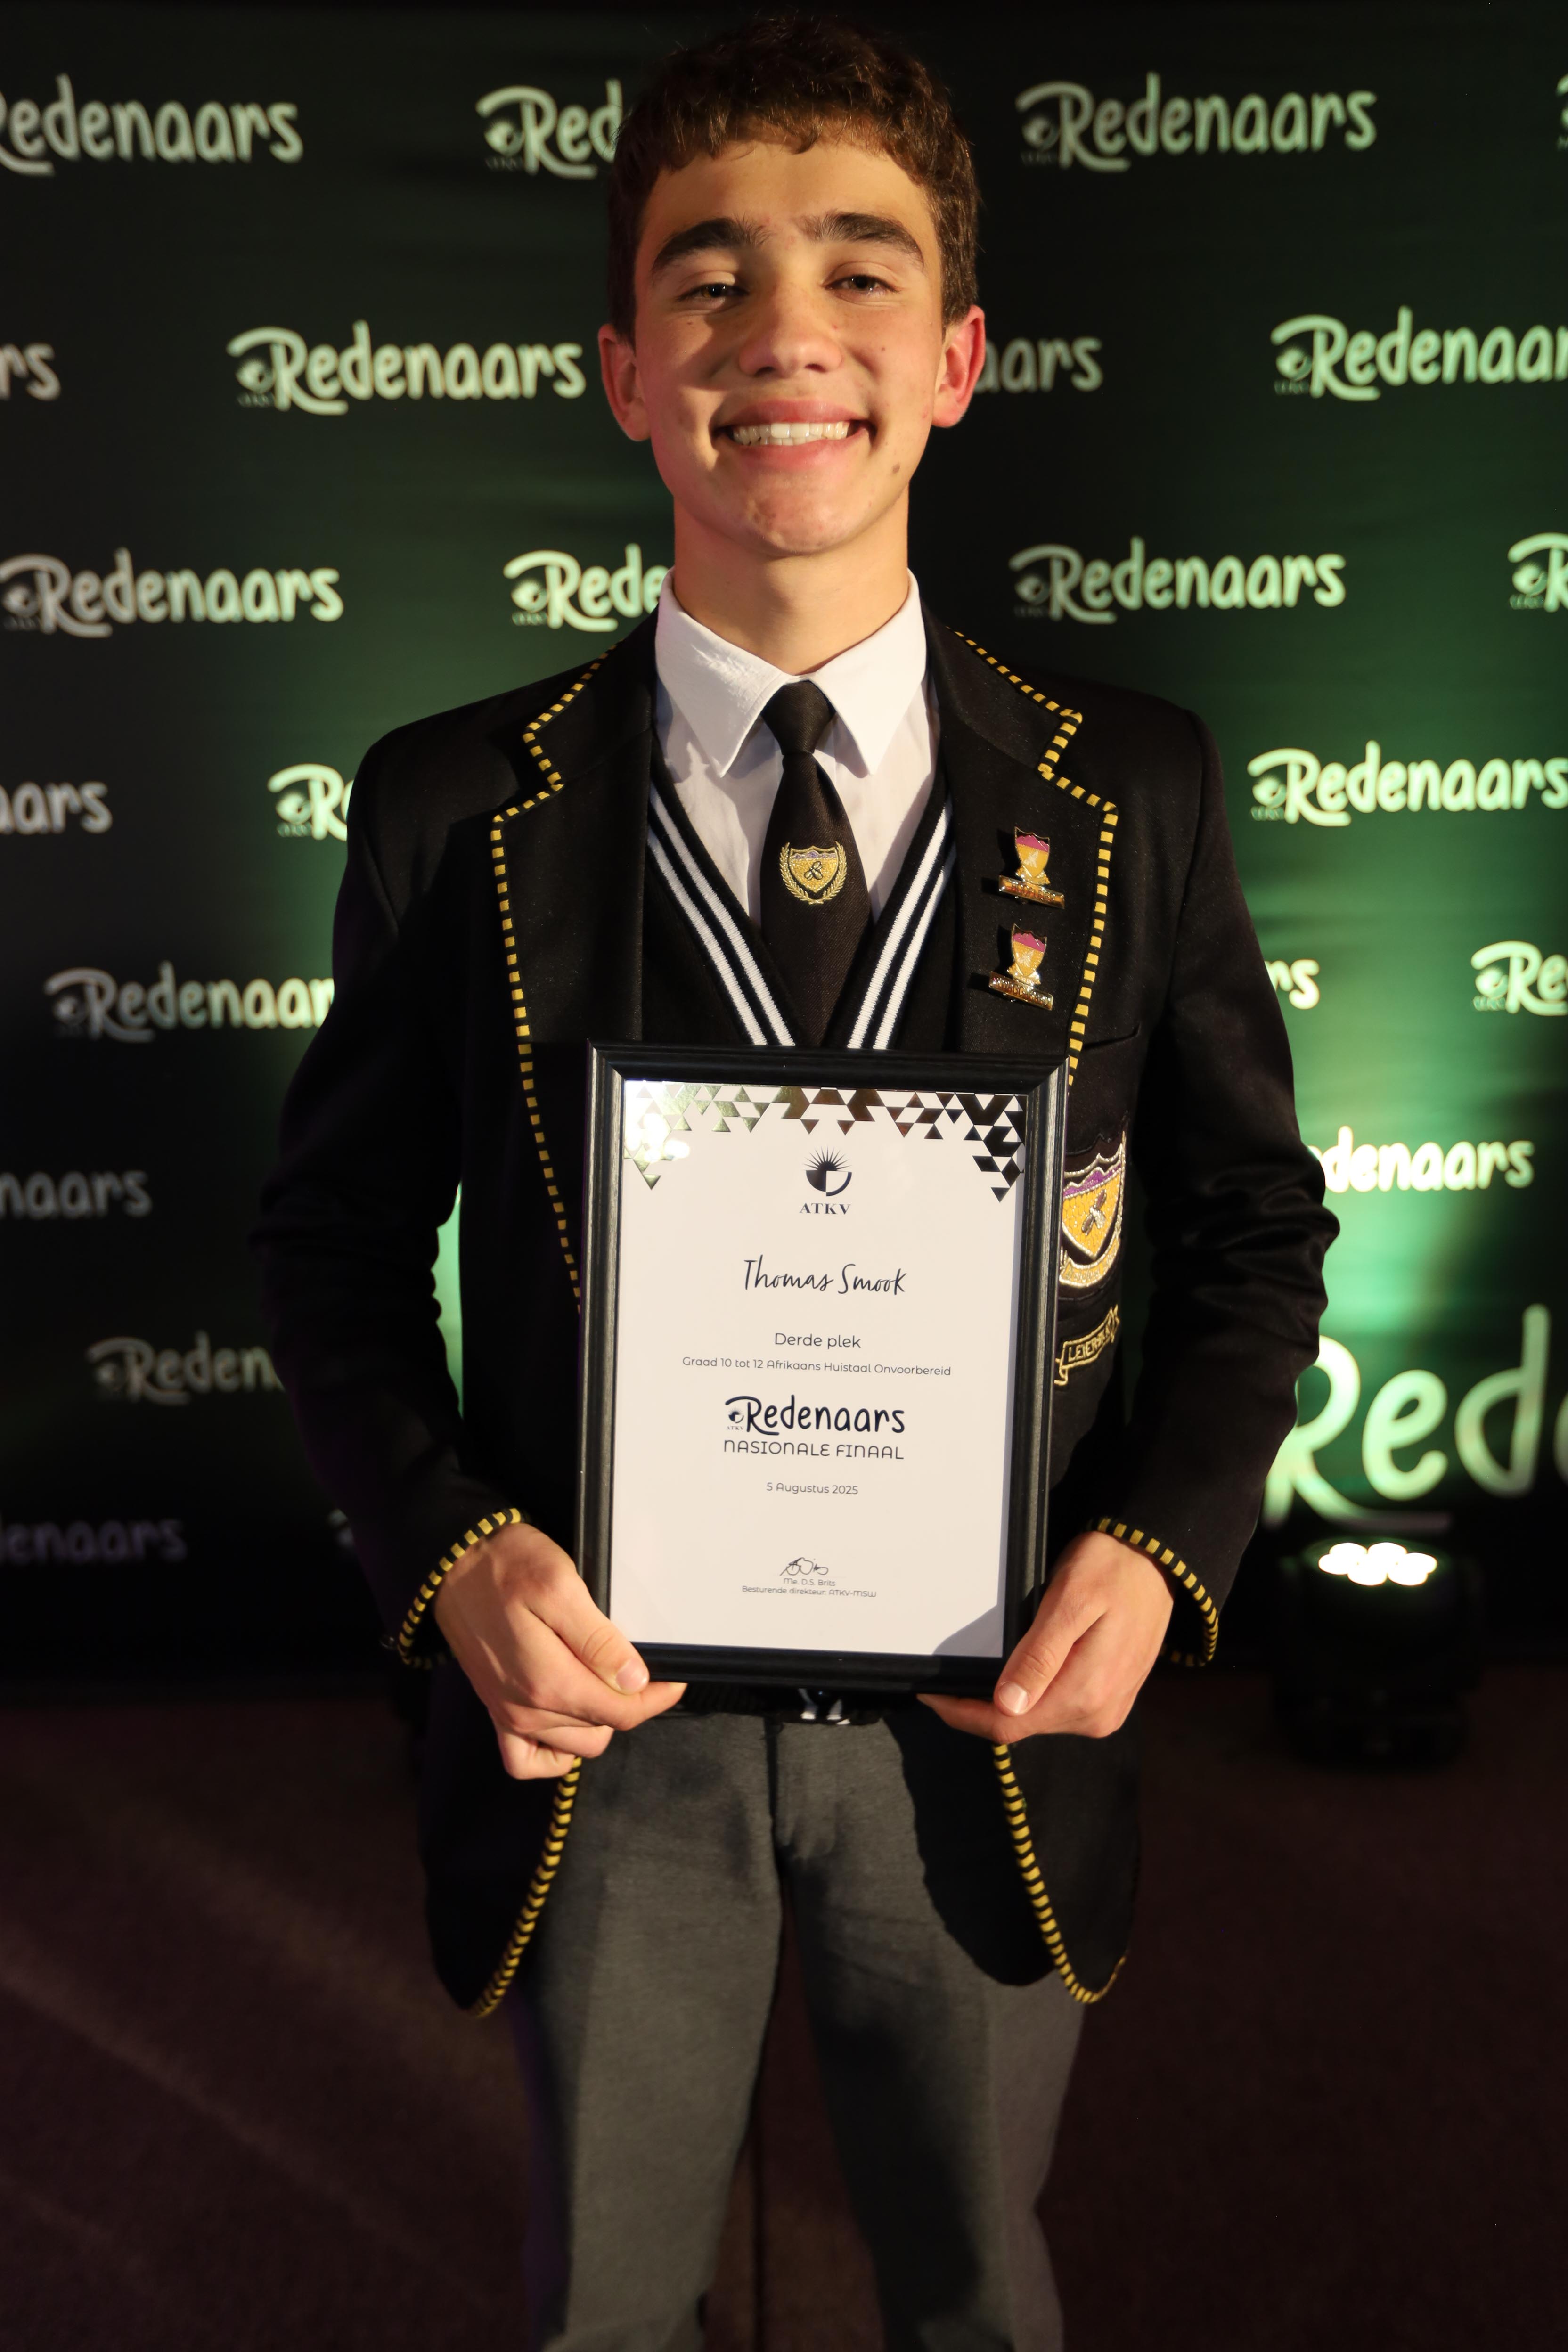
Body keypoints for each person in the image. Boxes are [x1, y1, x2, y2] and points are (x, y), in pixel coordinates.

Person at [255, 17, 1334, 2349]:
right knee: (603, 2307)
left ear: (954, 361)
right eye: (709, 279)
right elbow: (328, 1248)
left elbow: (1256, 1232)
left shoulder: (1129, 791)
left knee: (971, 2288)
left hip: (986, 1717)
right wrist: (451, 1552)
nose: (784, 332)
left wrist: (1164, 1550)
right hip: (608, 1736)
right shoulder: (459, 810)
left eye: (859, 271)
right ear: (625, 376)